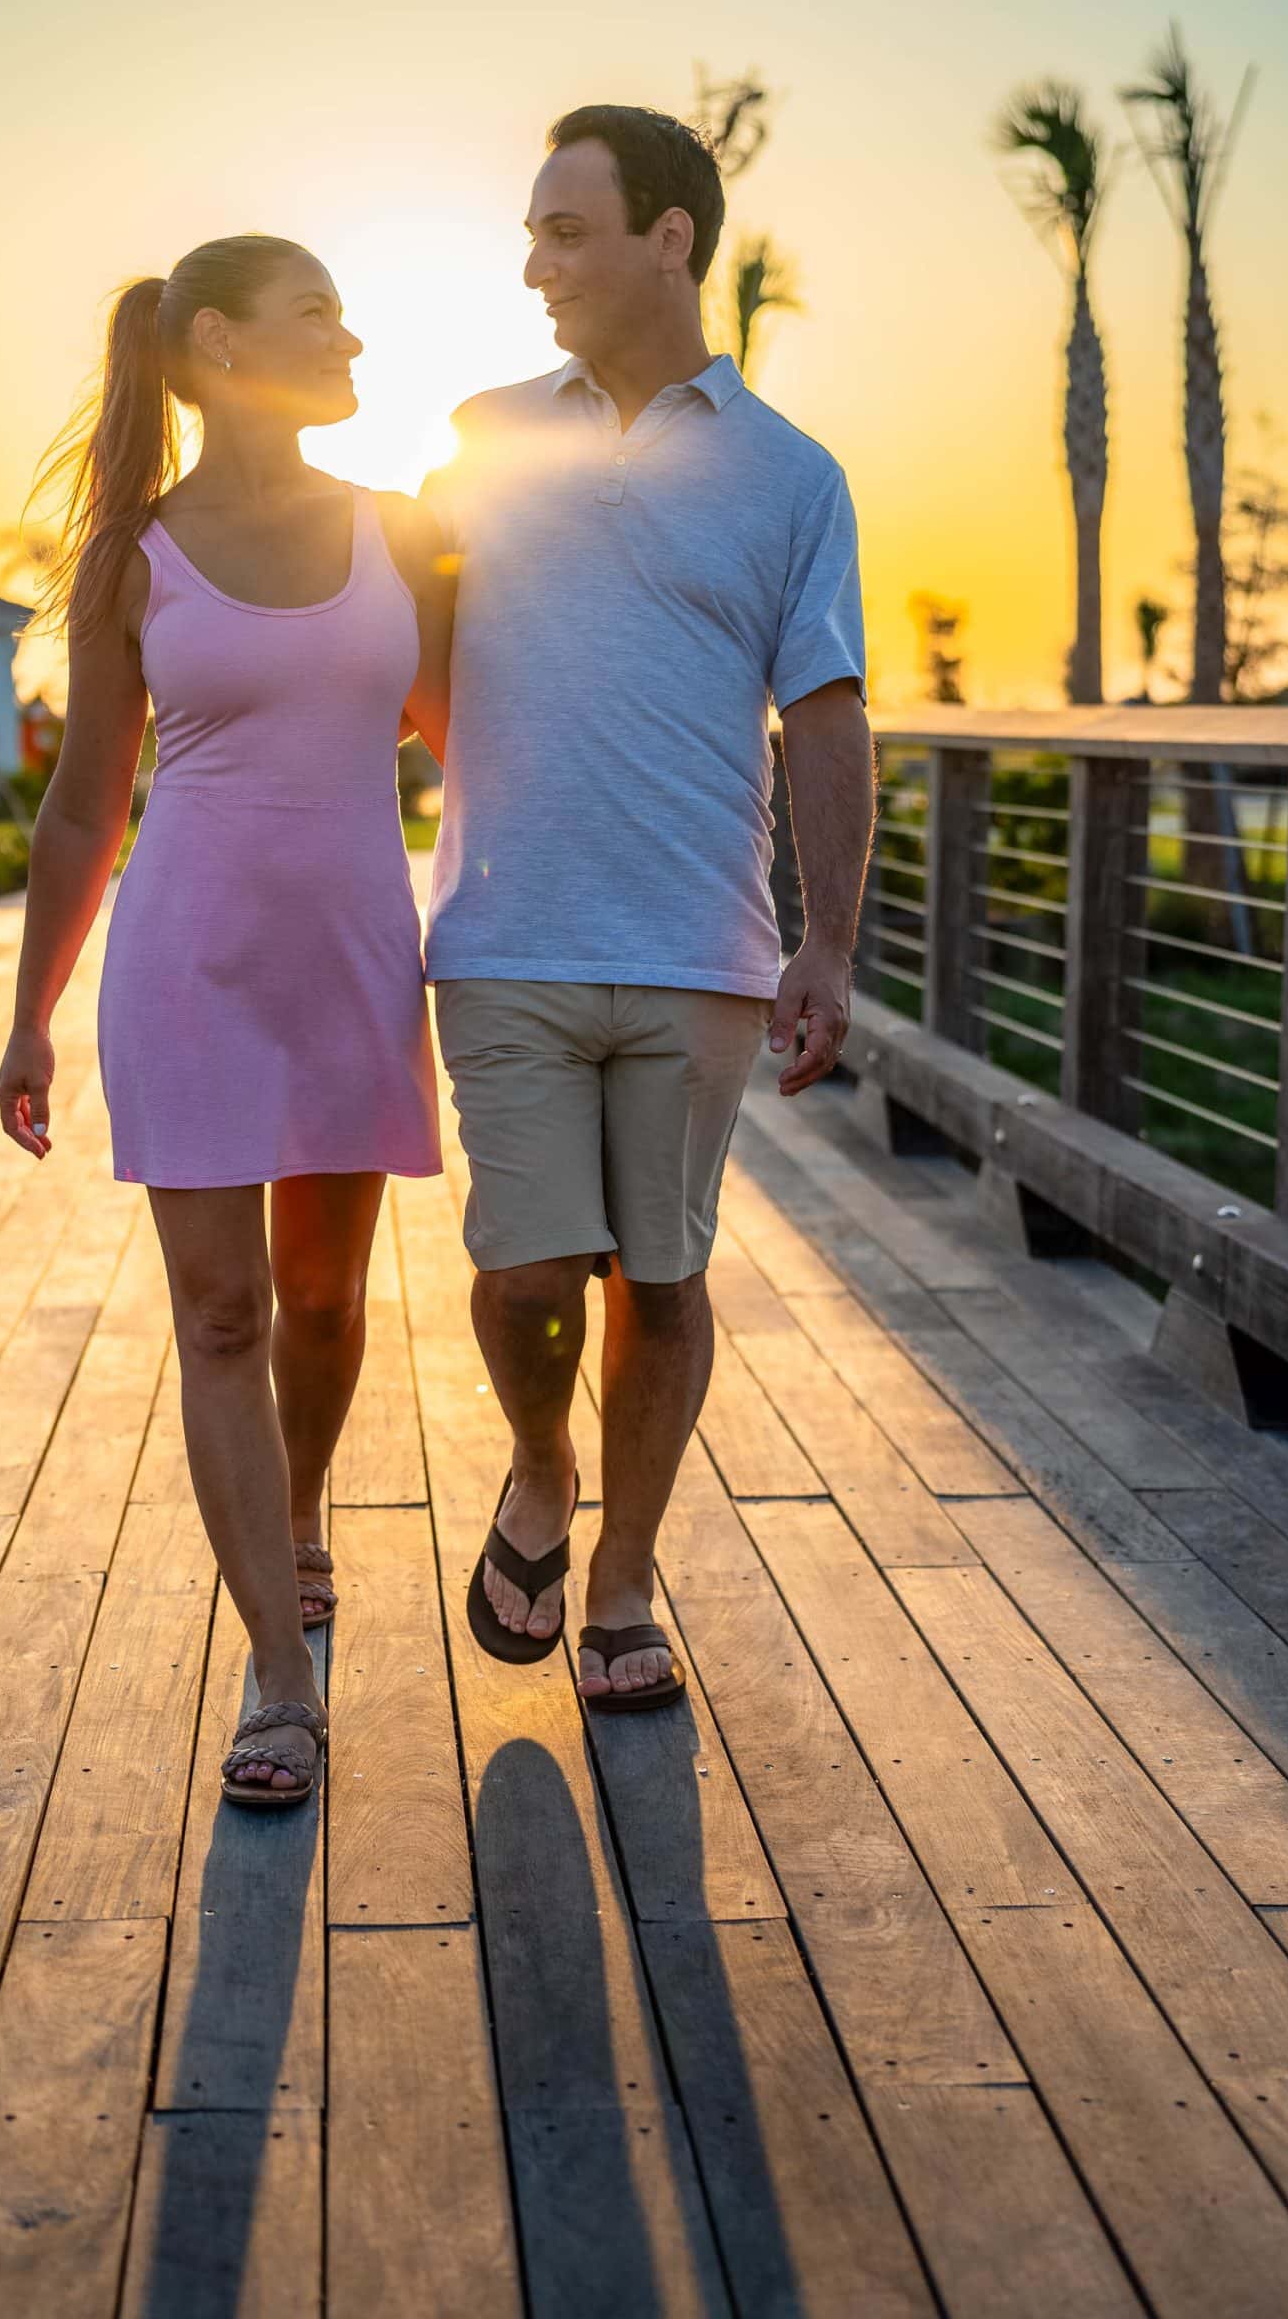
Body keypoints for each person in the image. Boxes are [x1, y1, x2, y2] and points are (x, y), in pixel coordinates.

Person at [418, 107, 874, 1711]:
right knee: (529, 1274)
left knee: (661, 1283)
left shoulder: (790, 475)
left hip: (700, 952)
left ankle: (621, 1582)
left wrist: (827, 940)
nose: (534, 263)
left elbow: (825, 713)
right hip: (506, 936)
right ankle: (542, 1471)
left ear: (668, 238)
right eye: (533, 232)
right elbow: (404, 650)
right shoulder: (480, 437)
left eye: (565, 231)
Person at [0, 236, 449, 1807]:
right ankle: (277, 1674)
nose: (350, 333)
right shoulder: (134, 559)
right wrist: (32, 1014)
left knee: (322, 1303)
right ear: (219, 345)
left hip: (353, 963)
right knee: (224, 1317)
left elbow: (484, 748)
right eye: (317, 310)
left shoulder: (406, 535)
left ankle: (301, 1518)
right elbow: (79, 809)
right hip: (187, 961)